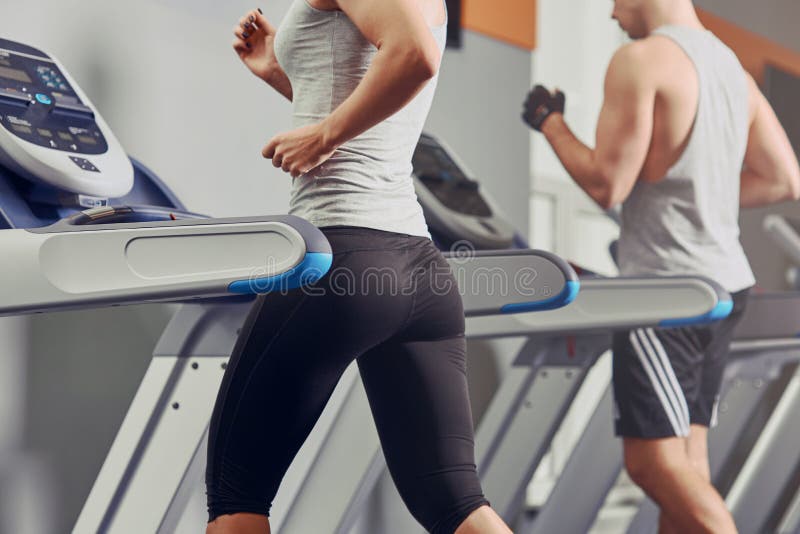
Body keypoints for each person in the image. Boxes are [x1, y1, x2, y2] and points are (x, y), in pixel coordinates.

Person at [205, 1, 513, 533]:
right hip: (419, 269)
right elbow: (366, 94)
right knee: (455, 503)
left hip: (342, 256)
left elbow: (414, 57)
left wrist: (322, 136)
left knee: (238, 495)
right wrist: (284, 71)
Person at [522, 0, 800, 532]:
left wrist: (551, 123)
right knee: (688, 464)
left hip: (666, 291)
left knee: (650, 463)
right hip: (723, 285)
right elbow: (784, 178)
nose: (610, 14)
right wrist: (703, 196)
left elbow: (608, 184)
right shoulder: (732, 71)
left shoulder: (643, 61)